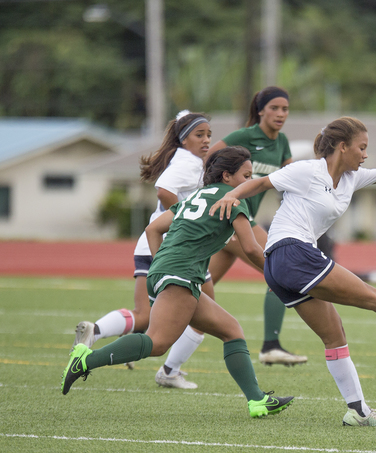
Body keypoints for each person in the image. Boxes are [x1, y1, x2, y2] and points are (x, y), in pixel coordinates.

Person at [210, 116, 376, 427]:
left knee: (335, 335)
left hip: (281, 265)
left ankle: (358, 411)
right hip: (291, 252)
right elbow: (260, 183)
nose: (365, 155)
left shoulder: (352, 177)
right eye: (361, 148)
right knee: (373, 298)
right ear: (341, 146)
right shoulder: (308, 170)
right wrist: (231, 195)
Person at [61, 146, 294, 419]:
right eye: (246, 175)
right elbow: (252, 249)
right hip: (180, 275)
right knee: (157, 343)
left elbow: (153, 228)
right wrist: (279, 277)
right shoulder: (232, 200)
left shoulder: (195, 196)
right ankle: (86, 359)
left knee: (231, 329)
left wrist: (163, 261)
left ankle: (257, 401)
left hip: (166, 271)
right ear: (227, 176)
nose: (249, 182)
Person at [159, 86, 309, 379]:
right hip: (234, 219)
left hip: (234, 226)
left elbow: (292, 180)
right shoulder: (243, 138)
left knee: (194, 295)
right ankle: (271, 345)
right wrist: (206, 201)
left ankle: (154, 354)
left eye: (285, 109)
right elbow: (206, 162)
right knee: (279, 269)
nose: (280, 114)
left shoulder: (283, 144)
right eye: (275, 108)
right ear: (260, 109)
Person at [72, 110, 216, 389]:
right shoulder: (188, 164)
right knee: (202, 316)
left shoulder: (186, 159)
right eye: (200, 135)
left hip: (160, 246)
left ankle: (96, 331)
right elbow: (164, 190)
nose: (207, 140)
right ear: (184, 139)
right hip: (169, 247)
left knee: (150, 314)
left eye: (209, 134)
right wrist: (186, 221)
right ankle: (169, 371)